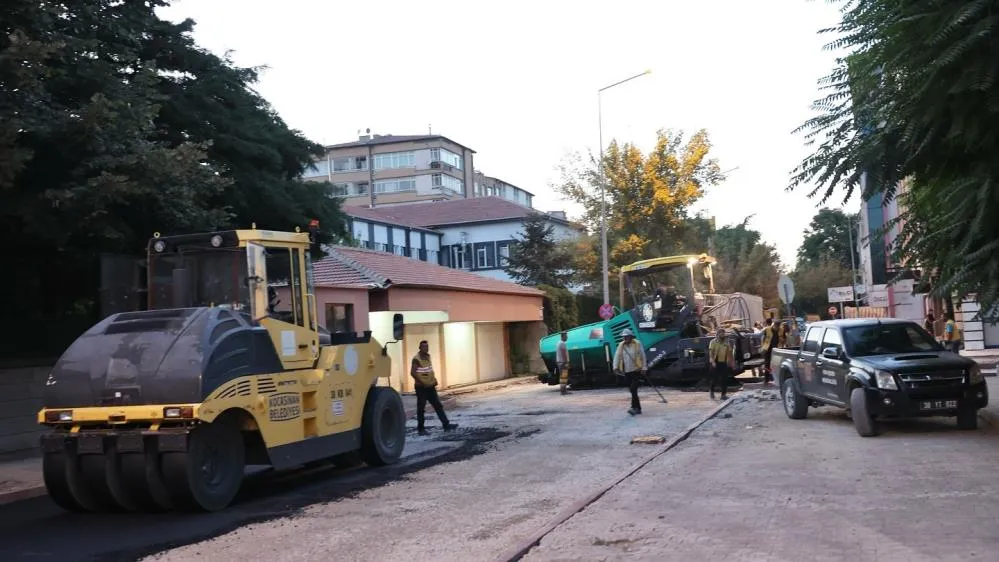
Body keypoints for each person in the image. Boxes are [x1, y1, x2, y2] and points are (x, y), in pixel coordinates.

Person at [411, 340, 458, 435]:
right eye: (424, 347)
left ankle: (446, 425)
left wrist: (434, 380)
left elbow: (429, 370)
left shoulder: (428, 356)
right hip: (421, 387)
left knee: (438, 406)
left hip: (430, 386)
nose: (426, 348)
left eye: (427, 347)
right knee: (421, 408)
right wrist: (422, 382)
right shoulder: (416, 358)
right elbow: (413, 372)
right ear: (420, 348)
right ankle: (421, 429)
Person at [613, 329, 647, 416]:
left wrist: (644, 367)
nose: (625, 338)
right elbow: (617, 356)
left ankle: (634, 407)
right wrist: (615, 367)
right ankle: (638, 408)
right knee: (632, 391)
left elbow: (643, 355)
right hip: (626, 371)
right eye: (624, 337)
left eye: (627, 336)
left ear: (631, 337)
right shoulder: (621, 345)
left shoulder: (637, 344)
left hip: (636, 370)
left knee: (633, 389)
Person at [708, 328, 736, 400]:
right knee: (714, 378)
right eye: (721, 333)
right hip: (715, 362)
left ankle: (723, 395)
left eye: (723, 333)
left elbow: (730, 353)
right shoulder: (713, 342)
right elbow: (711, 353)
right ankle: (711, 391)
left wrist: (732, 362)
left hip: (723, 362)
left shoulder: (726, 342)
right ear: (717, 334)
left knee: (724, 379)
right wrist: (713, 362)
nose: (723, 335)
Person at [555, 331, 570, 395]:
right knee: (564, 377)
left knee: (562, 377)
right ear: (563, 336)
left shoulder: (558, 343)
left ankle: (563, 391)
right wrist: (566, 363)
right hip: (563, 362)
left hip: (560, 362)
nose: (567, 337)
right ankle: (564, 391)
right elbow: (564, 354)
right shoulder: (562, 343)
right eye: (566, 336)